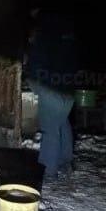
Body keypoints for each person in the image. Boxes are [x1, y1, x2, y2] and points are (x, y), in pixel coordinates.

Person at [24, 10, 79, 180]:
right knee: (62, 122)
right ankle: (65, 161)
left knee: (49, 129)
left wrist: (28, 79)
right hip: (68, 88)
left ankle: (48, 170)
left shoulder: (43, 39)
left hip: (51, 88)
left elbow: (36, 67)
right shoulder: (67, 38)